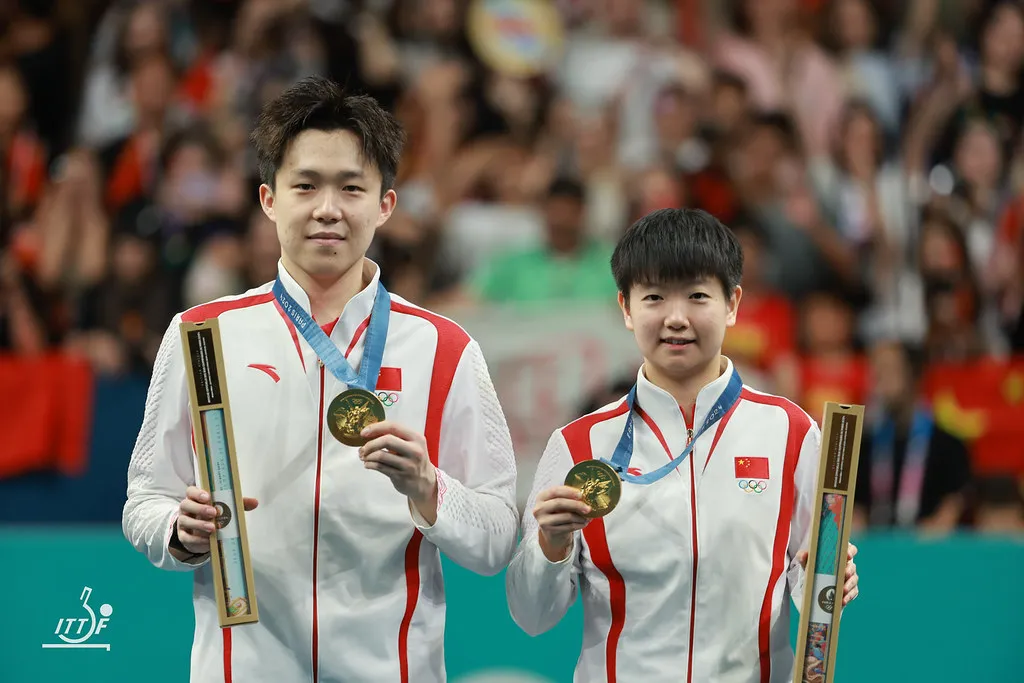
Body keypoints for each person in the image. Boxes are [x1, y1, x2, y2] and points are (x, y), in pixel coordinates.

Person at [122, 76, 519, 683]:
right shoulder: (202, 338)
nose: (327, 208)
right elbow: (143, 500)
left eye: (351, 188)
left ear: (385, 204)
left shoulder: (445, 349)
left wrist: (429, 487)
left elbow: (496, 540)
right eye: (305, 186)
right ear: (269, 200)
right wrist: (179, 532)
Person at [505, 208, 860, 682]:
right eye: (654, 297)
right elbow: (532, 616)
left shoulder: (790, 432)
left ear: (732, 304)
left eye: (697, 296)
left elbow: (807, 589)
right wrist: (550, 545)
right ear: (626, 309)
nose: (676, 318)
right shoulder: (579, 445)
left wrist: (827, 580)